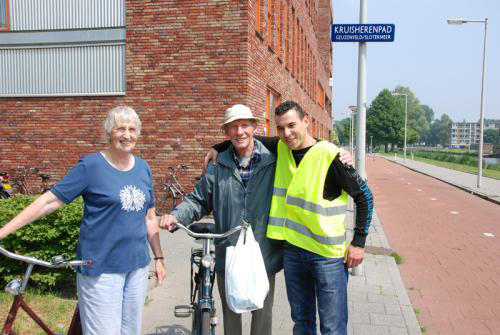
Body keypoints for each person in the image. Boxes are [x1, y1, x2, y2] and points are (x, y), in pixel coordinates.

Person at [206, 100, 373, 335]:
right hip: (294, 253)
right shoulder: (283, 147)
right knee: (302, 323)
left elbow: (365, 196)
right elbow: (244, 138)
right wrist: (218, 147)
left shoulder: (330, 156)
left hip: (327, 258)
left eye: (292, 125)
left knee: (332, 328)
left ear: (306, 122)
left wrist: (359, 242)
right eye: (281, 128)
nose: (286, 133)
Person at [0, 105, 166, 335]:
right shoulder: (91, 166)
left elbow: (149, 218)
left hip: (137, 267)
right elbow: (50, 201)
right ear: (109, 132)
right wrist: (3, 231)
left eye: (132, 129)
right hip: (101, 270)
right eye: (120, 129)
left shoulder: (143, 168)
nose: (127, 135)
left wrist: (159, 257)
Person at [159, 104, 283, 335]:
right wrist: (176, 216)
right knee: (231, 315)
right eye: (233, 127)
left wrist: (337, 155)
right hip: (229, 250)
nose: (240, 132)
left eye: (245, 125)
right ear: (226, 132)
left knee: (263, 314)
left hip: (264, 251)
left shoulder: (275, 161)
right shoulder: (217, 166)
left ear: (255, 127)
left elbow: (303, 142)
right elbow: (197, 200)